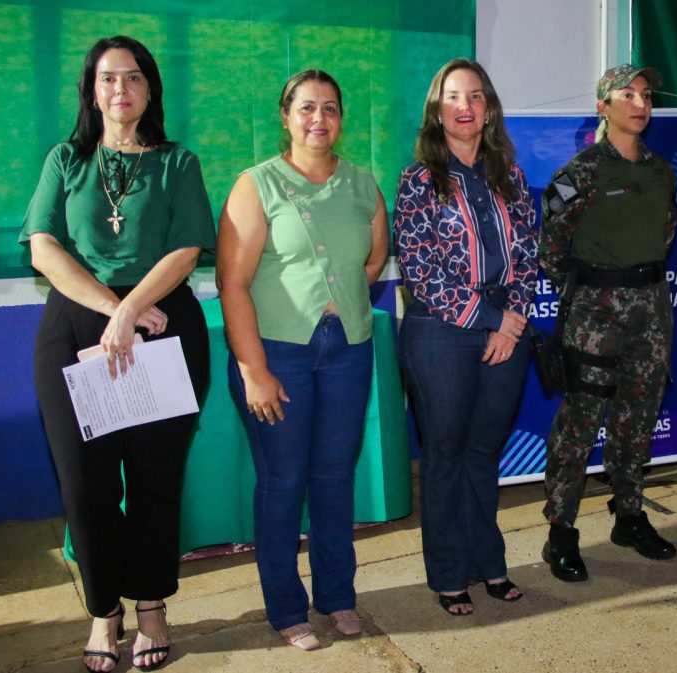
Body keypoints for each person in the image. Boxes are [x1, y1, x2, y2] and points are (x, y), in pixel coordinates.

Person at [20, 36, 214, 672]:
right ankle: (105, 613)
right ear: (91, 89)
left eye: (133, 78)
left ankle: (152, 605)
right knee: (87, 484)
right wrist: (113, 309)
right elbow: (45, 247)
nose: (120, 90)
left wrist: (134, 309)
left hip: (162, 321)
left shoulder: (176, 162)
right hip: (77, 329)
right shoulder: (65, 159)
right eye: (107, 79)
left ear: (150, 89)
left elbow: (187, 247)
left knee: (157, 480)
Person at [217, 69, 388, 650]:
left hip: (348, 350)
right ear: (286, 116)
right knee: (284, 481)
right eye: (308, 108)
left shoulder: (364, 185)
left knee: (336, 479)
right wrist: (253, 369)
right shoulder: (256, 184)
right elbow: (232, 283)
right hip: (277, 355)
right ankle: (286, 608)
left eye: (332, 109)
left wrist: (334, 302)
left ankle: (338, 597)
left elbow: (372, 264)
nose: (320, 119)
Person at [394, 58, 538, 616]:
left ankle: (490, 564)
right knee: (446, 456)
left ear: (489, 109)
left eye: (476, 96)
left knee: (483, 454)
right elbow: (423, 273)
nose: (465, 106)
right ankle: (450, 575)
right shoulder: (417, 180)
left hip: (509, 331)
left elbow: (529, 255)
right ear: (438, 109)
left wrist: (514, 319)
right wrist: (493, 319)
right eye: (453, 96)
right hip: (441, 334)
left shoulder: (513, 176)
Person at [538, 64, 677, 582]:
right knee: (579, 426)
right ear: (603, 106)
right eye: (627, 94)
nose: (639, 103)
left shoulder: (662, 172)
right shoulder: (579, 173)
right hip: (595, 314)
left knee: (637, 418)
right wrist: (591, 292)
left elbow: (666, 232)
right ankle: (561, 532)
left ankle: (629, 515)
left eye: (646, 95)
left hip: (651, 309)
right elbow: (551, 247)